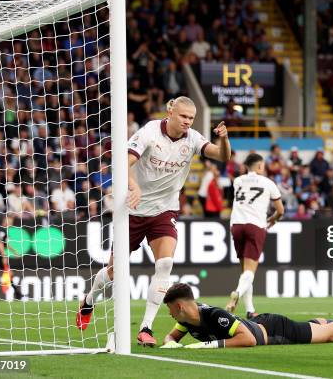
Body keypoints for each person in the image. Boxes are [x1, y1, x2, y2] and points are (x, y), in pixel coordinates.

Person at [76, 96, 232, 347]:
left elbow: (222, 156)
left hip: (164, 210)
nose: (187, 122)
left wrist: (223, 139)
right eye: (183, 116)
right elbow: (121, 163)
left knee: (166, 263)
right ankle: (90, 300)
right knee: (115, 272)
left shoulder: (192, 138)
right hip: (133, 210)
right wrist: (134, 186)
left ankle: (145, 328)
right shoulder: (149, 132)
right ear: (170, 112)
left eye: (191, 118)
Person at [160, 283, 333, 348]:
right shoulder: (185, 319)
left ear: (179, 306)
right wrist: (170, 343)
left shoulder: (214, 315)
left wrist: (208, 346)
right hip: (259, 324)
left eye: (169, 308)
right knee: (315, 327)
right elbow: (170, 338)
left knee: (330, 334)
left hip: (275, 330)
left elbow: (248, 340)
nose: (168, 313)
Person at [225, 153, 284, 318]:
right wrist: (273, 220)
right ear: (259, 166)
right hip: (255, 225)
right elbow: (280, 210)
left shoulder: (238, 181)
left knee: (245, 271)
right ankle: (236, 294)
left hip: (236, 225)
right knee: (250, 271)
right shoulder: (268, 183)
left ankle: (250, 310)